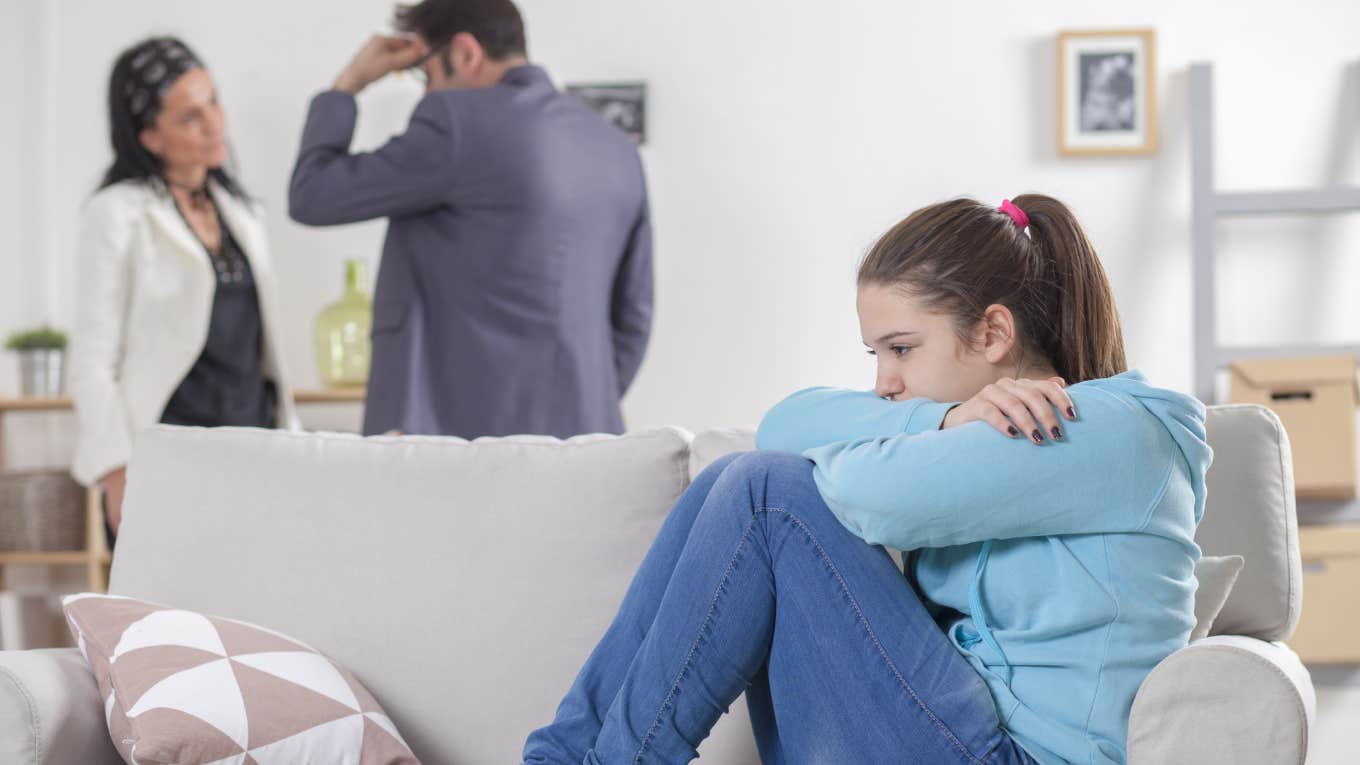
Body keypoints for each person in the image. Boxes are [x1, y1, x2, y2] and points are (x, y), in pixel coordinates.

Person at [521, 195, 1211, 764]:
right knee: (737, 475)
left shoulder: (1100, 429)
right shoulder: (970, 432)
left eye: (902, 349)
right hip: (960, 738)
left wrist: (927, 428)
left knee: (767, 495)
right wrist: (940, 419)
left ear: (993, 333)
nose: (884, 383)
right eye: (876, 353)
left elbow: (864, 496)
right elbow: (783, 425)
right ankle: (561, 755)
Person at [289, 0, 652, 439]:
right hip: (588, 435)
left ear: (464, 53)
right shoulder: (615, 147)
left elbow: (313, 194)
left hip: (466, 449)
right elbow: (633, 315)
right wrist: (580, 404)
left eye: (425, 74)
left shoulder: (455, 124)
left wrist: (348, 85)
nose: (426, 94)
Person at [70, 37, 299, 537]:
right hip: (167, 462)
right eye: (190, 116)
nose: (215, 123)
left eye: (213, 101)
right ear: (150, 136)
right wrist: (116, 473)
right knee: (171, 616)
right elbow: (91, 357)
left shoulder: (241, 212)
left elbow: (262, 350)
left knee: (257, 611)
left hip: (256, 455)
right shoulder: (116, 214)